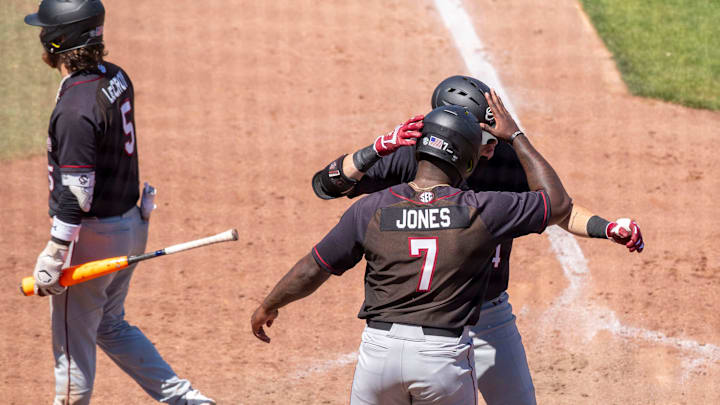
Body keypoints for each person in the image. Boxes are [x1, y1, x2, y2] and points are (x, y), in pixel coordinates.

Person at [310, 75, 644, 405]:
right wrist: (377, 148)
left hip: (489, 316)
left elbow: (560, 209)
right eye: (486, 135)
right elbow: (328, 184)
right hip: (427, 318)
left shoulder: (508, 164)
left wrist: (608, 226)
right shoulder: (412, 160)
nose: (494, 143)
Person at [252, 92, 574, 404]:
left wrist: (269, 304)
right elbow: (557, 203)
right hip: (442, 357)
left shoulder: (371, 210)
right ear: (468, 158)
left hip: (379, 354)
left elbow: (313, 267)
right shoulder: (483, 210)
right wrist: (515, 135)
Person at [25, 1, 214, 404]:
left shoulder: (75, 110)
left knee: (72, 355)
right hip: (131, 224)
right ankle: (189, 402)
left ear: (56, 40)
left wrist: (56, 253)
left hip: (93, 238)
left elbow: (77, 193)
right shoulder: (114, 76)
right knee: (110, 325)